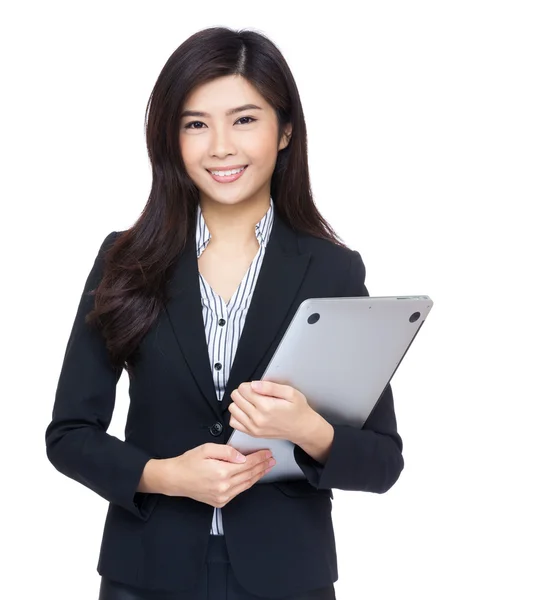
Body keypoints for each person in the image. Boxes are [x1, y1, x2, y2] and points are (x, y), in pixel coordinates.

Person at [45, 26, 404, 600]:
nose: (220, 147)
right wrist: (166, 476)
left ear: (285, 130)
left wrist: (307, 430)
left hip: (287, 577)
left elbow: (383, 461)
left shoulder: (332, 271)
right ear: (172, 137)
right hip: (146, 573)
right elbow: (68, 434)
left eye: (244, 119)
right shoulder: (125, 259)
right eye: (195, 124)